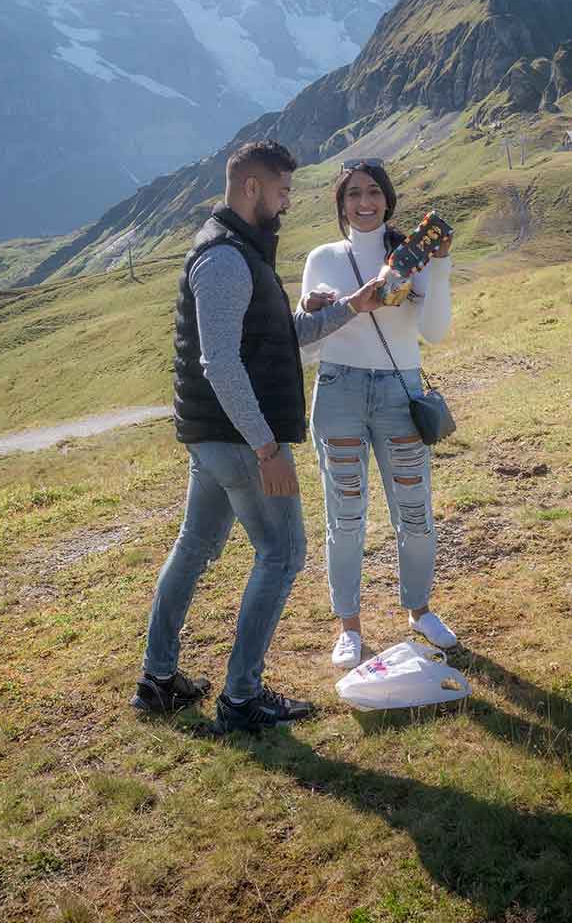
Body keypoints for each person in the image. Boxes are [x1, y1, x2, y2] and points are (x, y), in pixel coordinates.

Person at [136, 140, 389, 733]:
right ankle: (242, 699)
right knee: (282, 553)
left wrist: (352, 306)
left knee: (194, 549)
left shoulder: (242, 251)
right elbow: (221, 364)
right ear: (252, 188)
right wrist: (267, 448)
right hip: (238, 439)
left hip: (216, 437)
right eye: (280, 192)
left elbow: (280, 336)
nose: (286, 203)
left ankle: (158, 680)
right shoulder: (225, 260)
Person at [298, 158, 456, 670]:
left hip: (399, 391)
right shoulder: (321, 257)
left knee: (415, 512)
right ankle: (348, 626)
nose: (364, 204)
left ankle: (420, 610)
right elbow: (303, 348)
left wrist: (442, 266)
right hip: (338, 391)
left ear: (388, 199)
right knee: (344, 519)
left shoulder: (413, 256)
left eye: (373, 193)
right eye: (352, 195)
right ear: (340, 204)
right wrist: (325, 306)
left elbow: (433, 334)